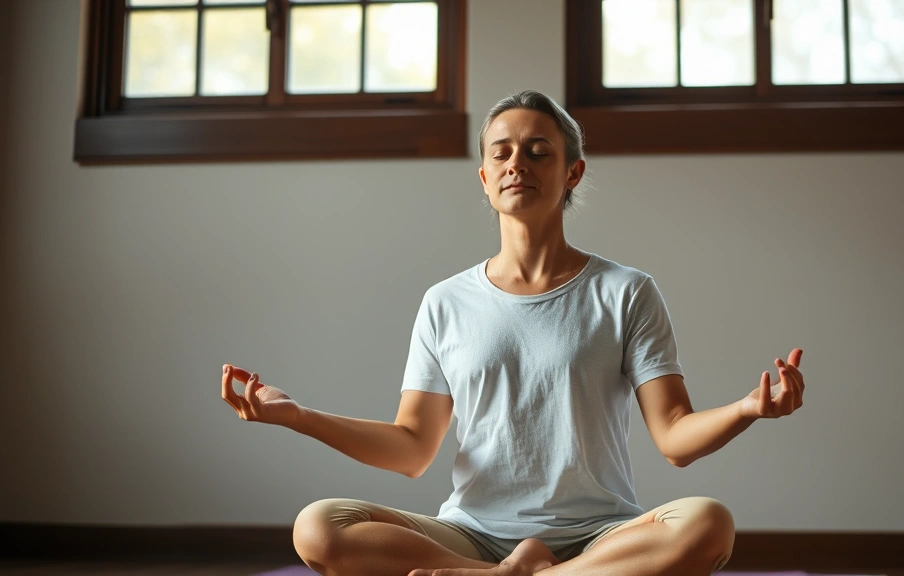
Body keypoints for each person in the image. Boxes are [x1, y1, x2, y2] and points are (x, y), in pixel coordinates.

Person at [220, 90, 806, 576]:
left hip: (601, 538)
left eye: (537, 151)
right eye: (501, 154)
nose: (515, 164)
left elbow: (675, 438)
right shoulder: (445, 301)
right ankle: (502, 575)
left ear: (571, 172)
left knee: (707, 524)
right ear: (484, 178)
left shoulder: (626, 291)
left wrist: (748, 408)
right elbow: (411, 448)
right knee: (319, 527)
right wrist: (299, 417)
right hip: (468, 535)